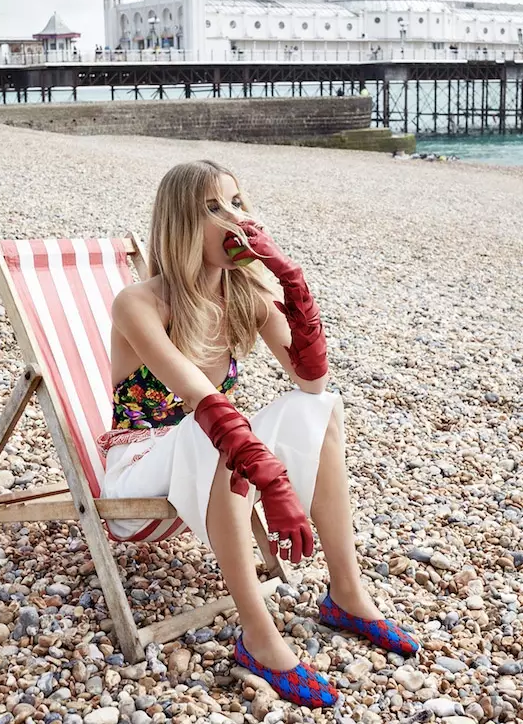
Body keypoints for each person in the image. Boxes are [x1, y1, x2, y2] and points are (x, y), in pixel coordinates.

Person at [98, 160, 419, 707]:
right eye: (213, 208)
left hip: (210, 453)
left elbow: (310, 380)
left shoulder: (243, 295)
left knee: (320, 409)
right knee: (218, 426)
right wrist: (270, 478)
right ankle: (258, 637)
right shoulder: (140, 302)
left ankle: (346, 591)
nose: (235, 220)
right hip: (139, 467)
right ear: (180, 221)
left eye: (238, 203)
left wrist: (289, 277)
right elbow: (199, 397)